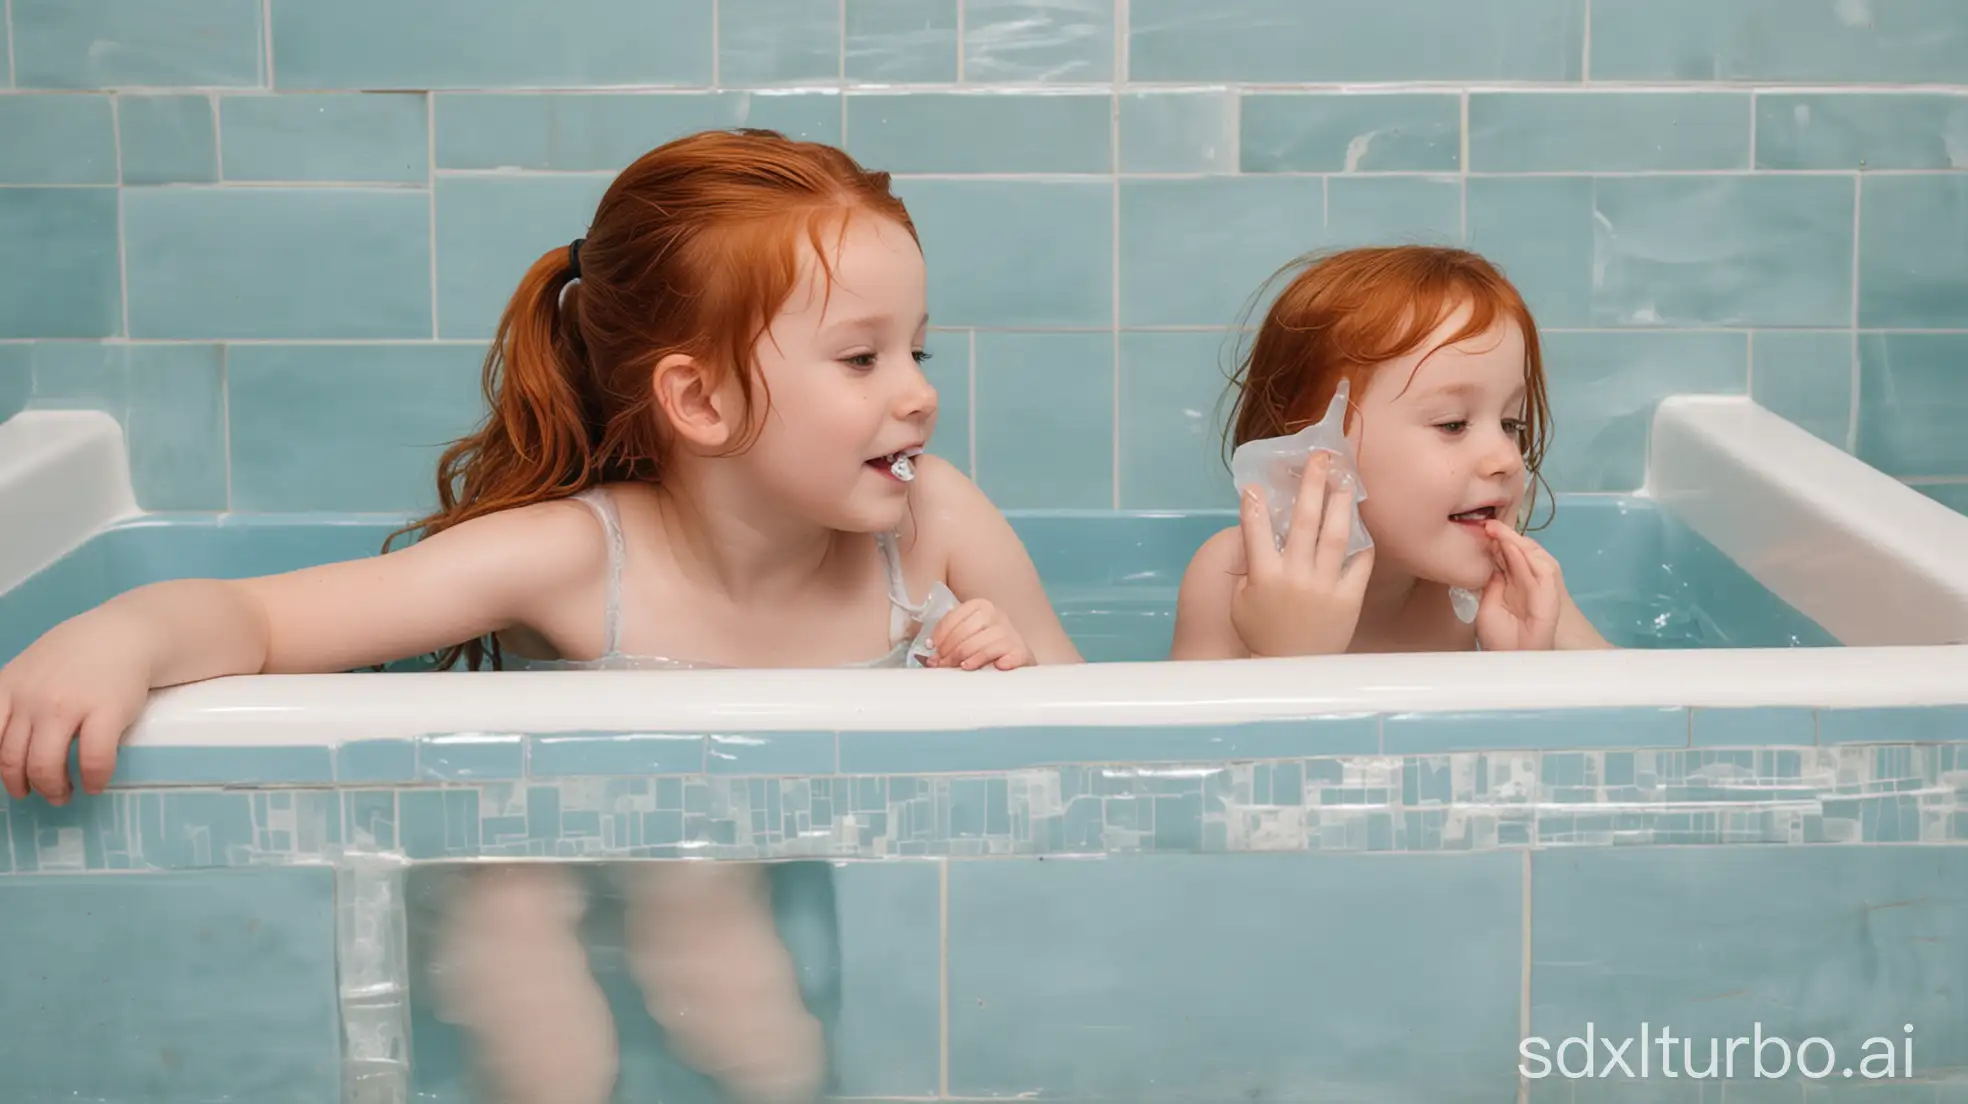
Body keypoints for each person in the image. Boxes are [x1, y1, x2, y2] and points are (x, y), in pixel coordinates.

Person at [0, 128, 1081, 1103]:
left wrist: (1010, 663)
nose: (919, 392)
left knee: (776, 1058)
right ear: (697, 401)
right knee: (546, 1040)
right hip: (539, 859)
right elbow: (260, 620)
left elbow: (1103, 722)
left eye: (916, 350)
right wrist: (120, 635)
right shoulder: (578, 557)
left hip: (714, 864)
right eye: (862, 358)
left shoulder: (930, 523)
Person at [1170, 245, 1612, 660]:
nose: (1507, 460)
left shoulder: (1506, 583)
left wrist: (1525, 675)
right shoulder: (1232, 575)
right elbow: (1183, 741)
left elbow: (1650, 690)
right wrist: (1285, 659)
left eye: (1511, 424)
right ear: (1312, 446)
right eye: (1453, 424)